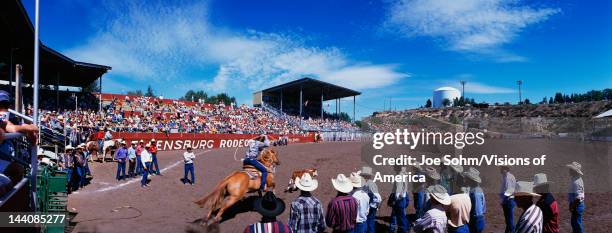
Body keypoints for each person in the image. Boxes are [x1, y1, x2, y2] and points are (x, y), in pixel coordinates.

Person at [359, 166, 381, 233]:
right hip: (368, 206)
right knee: (368, 222)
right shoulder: (365, 182)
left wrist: (371, 205)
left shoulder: (371, 184)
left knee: (370, 222)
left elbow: (378, 198)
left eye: (363, 175)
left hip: (371, 207)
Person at [463, 167, 485, 233]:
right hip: (479, 219)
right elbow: (483, 206)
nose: (465, 180)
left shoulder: (475, 193)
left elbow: (476, 210)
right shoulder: (478, 190)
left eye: (466, 178)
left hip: (476, 220)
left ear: (470, 180)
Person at [388, 166, 408, 233]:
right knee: (402, 217)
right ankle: (403, 229)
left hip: (399, 200)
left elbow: (398, 190)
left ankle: (393, 229)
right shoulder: (403, 175)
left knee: (400, 217)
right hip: (403, 198)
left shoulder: (399, 176)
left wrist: (395, 200)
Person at [566, 162, 584, 233]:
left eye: (571, 169)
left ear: (574, 171)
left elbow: (579, 197)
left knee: (577, 224)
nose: (569, 170)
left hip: (577, 205)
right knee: (574, 223)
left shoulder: (576, 182)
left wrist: (572, 206)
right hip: (576, 204)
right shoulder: (575, 179)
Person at [499, 165, 516, 233]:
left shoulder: (508, 177)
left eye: (501, 168)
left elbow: (508, 191)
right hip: (509, 200)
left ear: (505, 169)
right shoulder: (507, 176)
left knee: (509, 221)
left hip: (508, 200)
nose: (500, 169)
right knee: (509, 220)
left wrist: (503, 200)